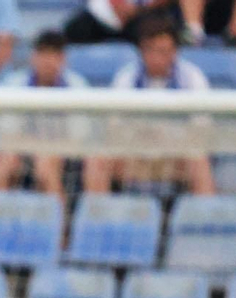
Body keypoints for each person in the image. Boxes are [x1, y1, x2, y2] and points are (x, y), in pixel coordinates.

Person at [86, 21, 216, 194]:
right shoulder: (127, 77)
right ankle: (97, 216)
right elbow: (114, 127)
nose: (155, 57)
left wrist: (170, 137)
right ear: (141, 50)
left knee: (199, 161)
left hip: (175, 158)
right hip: (136, 156)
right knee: (97, 160)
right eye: (150, 50)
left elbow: (202, 128)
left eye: (162, 51)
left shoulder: (192, 78)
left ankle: (205, 217)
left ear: (174, 51)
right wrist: (140, 136)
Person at [0, 31, 90, 198]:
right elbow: (8, 135)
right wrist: (36, 146)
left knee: (46, 165)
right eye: (43, 54)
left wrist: (48, 149)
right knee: (3, 163)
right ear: (33, 57)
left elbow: (78, 139)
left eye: (54, 55)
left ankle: (61, 223)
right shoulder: (15, 84)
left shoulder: (77, 87)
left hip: (63, 152)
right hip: (23, 150)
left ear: (63, 59)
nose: (48, 61)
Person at [63, 0, 203, 43]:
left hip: (141, 16)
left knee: (156, 34)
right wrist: (117, 6)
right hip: (101, 15)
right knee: (74, 29)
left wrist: (138, 8)